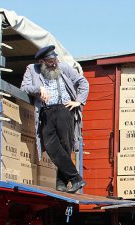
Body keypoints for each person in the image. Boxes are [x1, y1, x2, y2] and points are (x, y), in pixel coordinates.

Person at [21, 45, 89, 193]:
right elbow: (24, 87)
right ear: (42, 61)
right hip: (46, 111)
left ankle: (61, 184)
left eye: (55, 59)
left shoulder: (64, 67)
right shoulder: (32, 69)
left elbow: (83, 83)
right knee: (50, 145)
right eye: (50, 61)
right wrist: (38, 89)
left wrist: (78, 101)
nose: (54, 63)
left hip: (65, 110)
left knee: (65, 146)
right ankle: (76, 178)